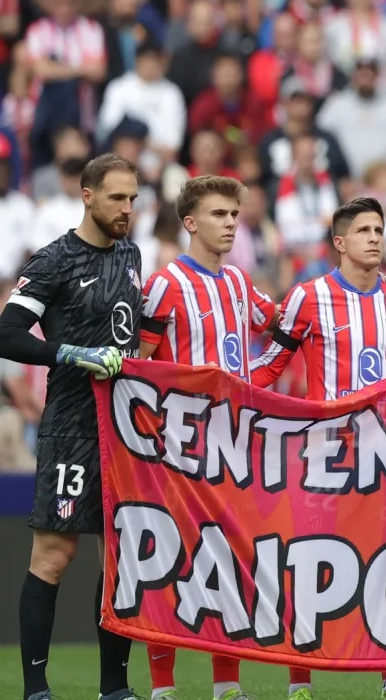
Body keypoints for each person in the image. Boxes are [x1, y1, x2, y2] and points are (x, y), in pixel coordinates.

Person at [250, 196, 386, 700]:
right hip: (324, 453)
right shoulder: (308, 298)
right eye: (364, 230)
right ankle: (300, 682)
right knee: (310, 564)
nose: (375, 238)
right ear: (340, 242)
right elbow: (271, 367)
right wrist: (216, 386)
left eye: (379, 230)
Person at [0, 153, 142, 700]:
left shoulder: (131, 254)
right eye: (117, 198)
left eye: (133, 198)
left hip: (122, 430)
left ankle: (114, 690)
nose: (127, 209)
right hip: (71, 427)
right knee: (55, 555)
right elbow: (4, 337)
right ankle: (36, 689)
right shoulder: (54, 259)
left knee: (118, 560)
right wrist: (70, 353)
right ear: (87, 195)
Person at [135, 174, 278, 700]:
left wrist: (260, 379)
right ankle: (163, 687)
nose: (231, 224)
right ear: (191, 222)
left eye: (234, 214)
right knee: (167, 562)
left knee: (228, 561)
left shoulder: (239, 282)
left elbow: (282, 326)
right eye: (219, 214)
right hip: (178, 448)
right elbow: (138, 365)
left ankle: (227, 684)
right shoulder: (164, 284)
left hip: (235, 445)